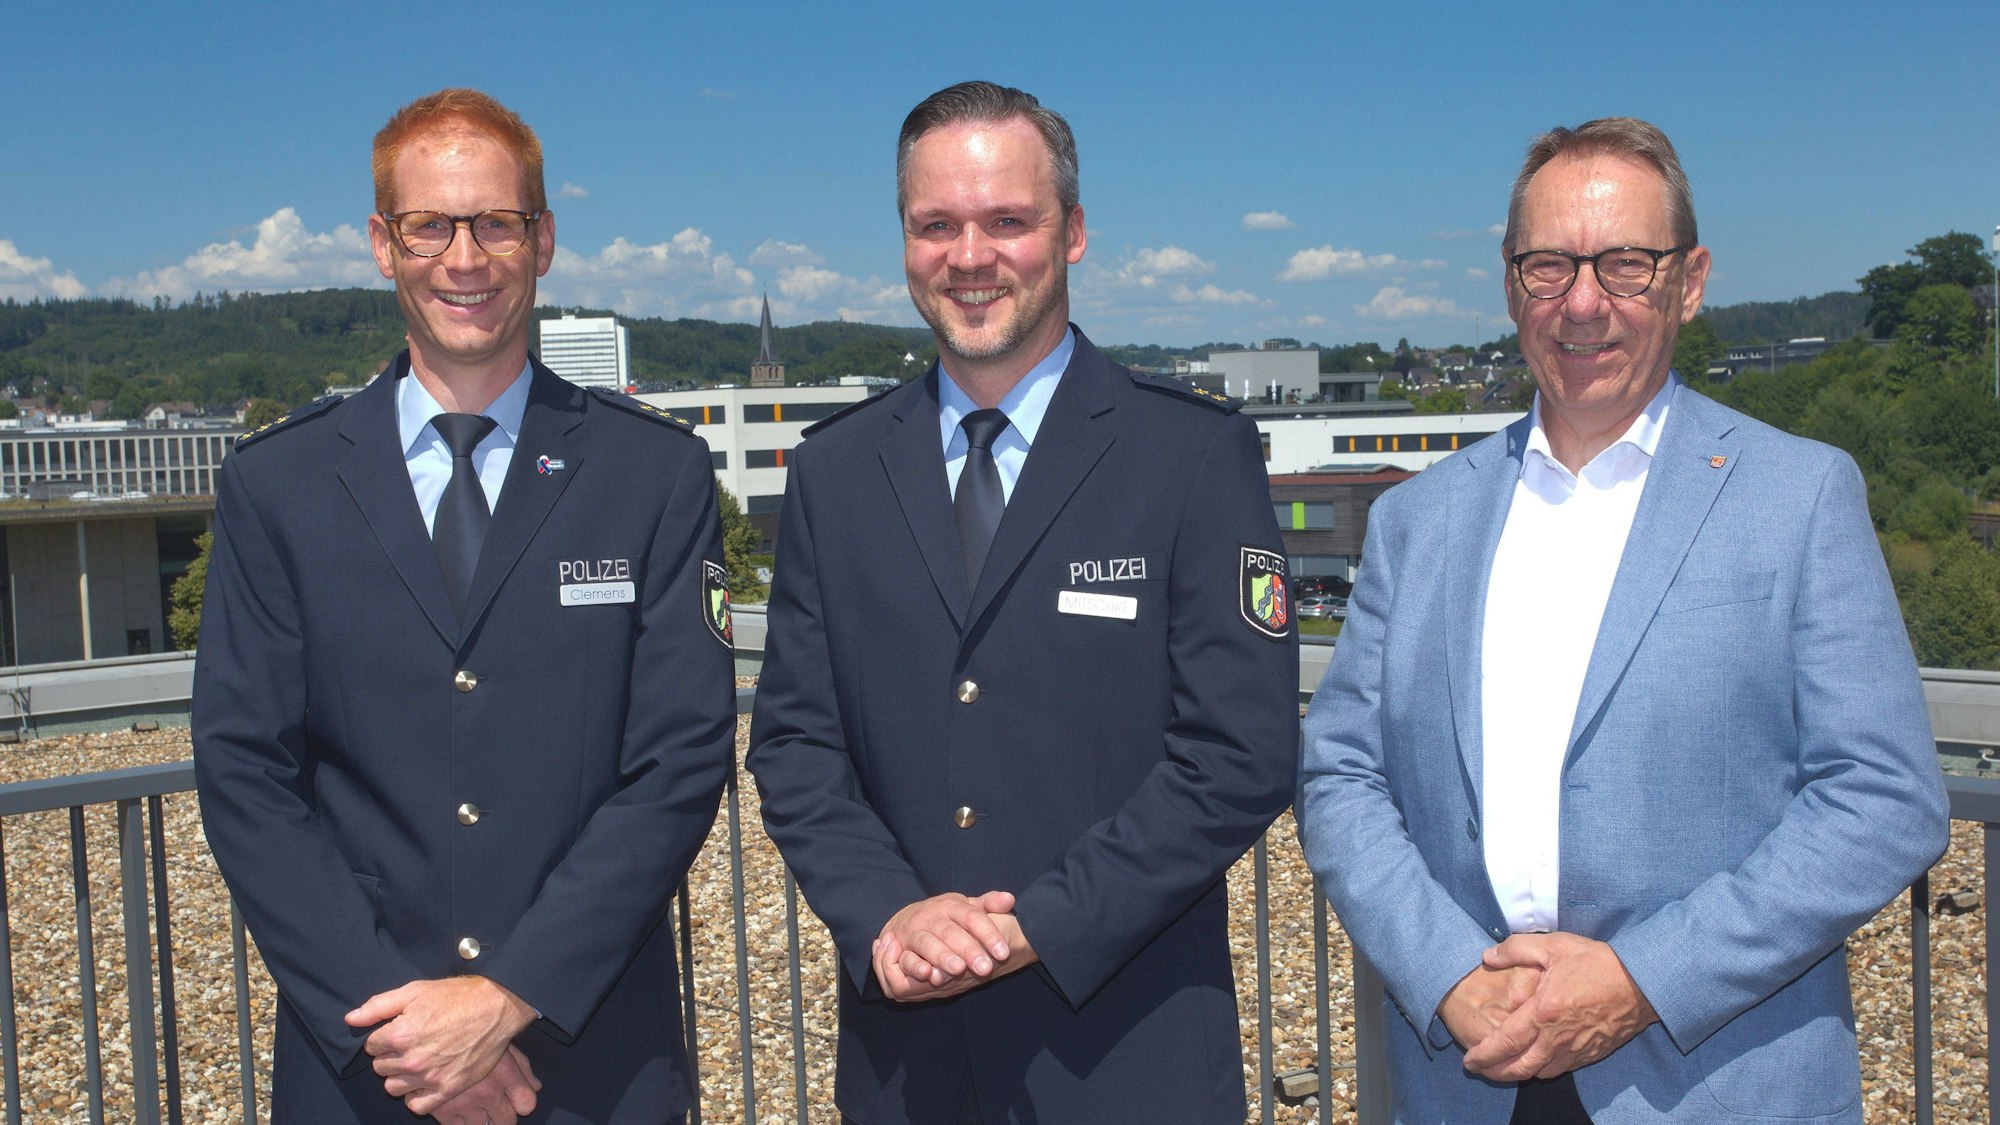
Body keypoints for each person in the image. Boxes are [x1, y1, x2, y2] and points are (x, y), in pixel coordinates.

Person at [1297, 116, 1950, 1123]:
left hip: (1711, 1082)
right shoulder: (1415, 522)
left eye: (1625, 265)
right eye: (1549, 265)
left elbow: (1884, 798)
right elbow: (1341, 776)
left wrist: (1641, 979)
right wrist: (1447, 973)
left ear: (1689, 282)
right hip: (1469, 1074)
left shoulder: (1800, 495)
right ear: (1510, 284)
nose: (1582, 302)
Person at [746, 80, 1299, 1124]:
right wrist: (888, 914)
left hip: (1127, 1059)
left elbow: (1239, 752)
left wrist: (1034, 925)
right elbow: (795, 743)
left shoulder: (1189, 456)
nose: (970, 256)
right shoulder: (834, 473)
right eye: (936, 225)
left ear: (1072, 232)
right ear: (904, 242)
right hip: (906, 1064)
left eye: (1007, 220)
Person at [192, 88, 735, 1125]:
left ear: (544, 240)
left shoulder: (652, 475)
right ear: (381, 245)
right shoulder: (279, 487)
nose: (465, 258)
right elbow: (246, 773)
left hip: (590, 1057)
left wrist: (509, 995)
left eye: (496, 223)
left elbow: (678, 759)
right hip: (369, 1063)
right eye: (429, 226)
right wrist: (406, 1029)